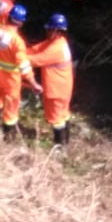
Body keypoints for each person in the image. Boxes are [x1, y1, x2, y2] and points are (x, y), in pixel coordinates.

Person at [0, 4, 43, 138]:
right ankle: (8, 138)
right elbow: (24, 66)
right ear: (21, 22)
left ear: (8, 17)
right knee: (10, 109)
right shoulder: (17, 41)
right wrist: (34, 83)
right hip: (10, 82)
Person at [27, 13, 74, 145]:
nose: (47, 31)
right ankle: (66, 141)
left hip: (56, 90)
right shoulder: (59, 42)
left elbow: (36, 60)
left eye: (49, 29)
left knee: (56, 119)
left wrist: (16, 57)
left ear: (56, 30)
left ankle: (59, 145)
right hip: (63, 89)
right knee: (63, 114)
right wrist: (22, 50)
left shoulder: (56, 49)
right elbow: (37, 49)